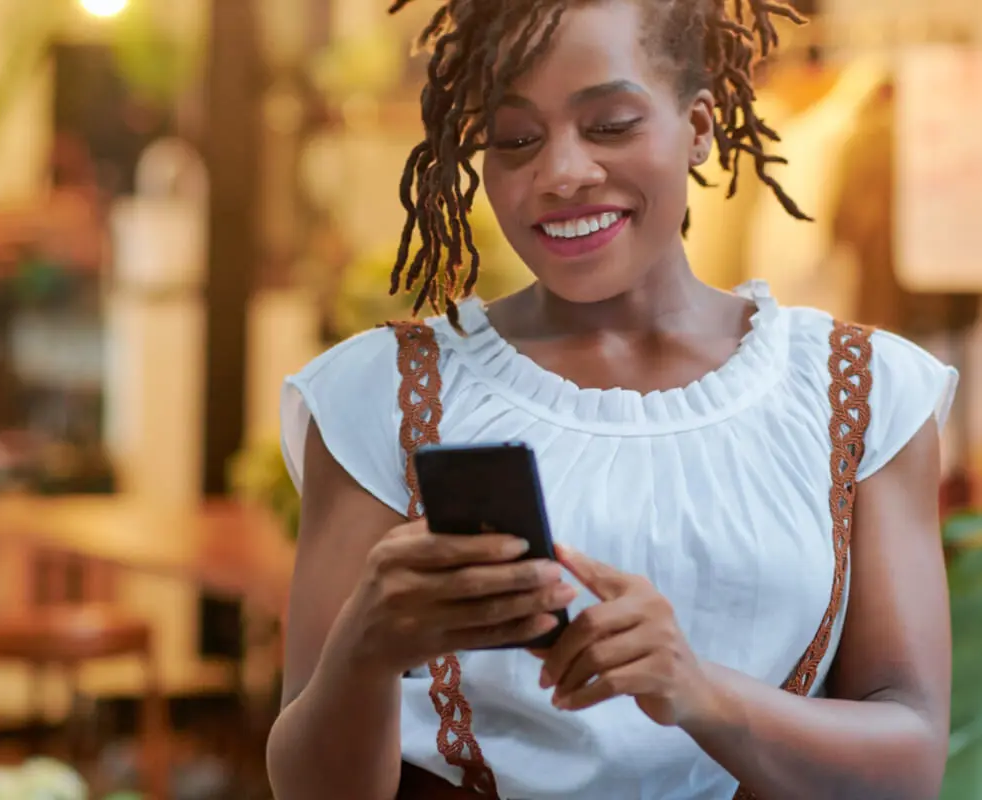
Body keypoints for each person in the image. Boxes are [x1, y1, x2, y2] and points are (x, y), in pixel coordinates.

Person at [267, 0, 957, 798]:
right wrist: (366, 645)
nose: (561, 174)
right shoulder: (379, 396)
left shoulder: (861, 392)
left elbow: (908, 770)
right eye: (516, 139)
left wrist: (695, 689)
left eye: (611, 124)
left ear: (698, 125)